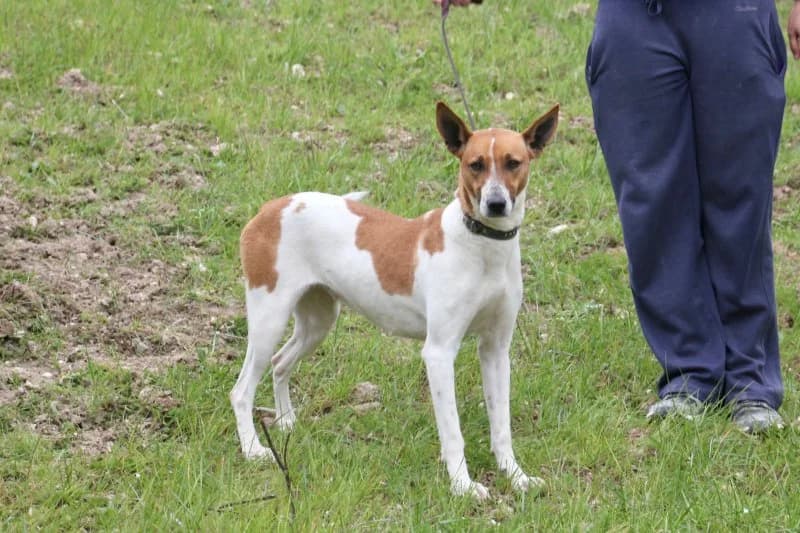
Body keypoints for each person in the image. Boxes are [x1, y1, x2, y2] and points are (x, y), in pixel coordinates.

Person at [437, 0, 800, 433]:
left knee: (740, 197)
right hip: (633, 18)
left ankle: (752, 383)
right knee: (651, 200)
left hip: (734, 12)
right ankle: (689, 373)